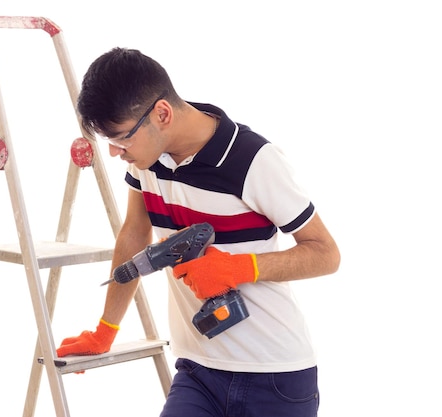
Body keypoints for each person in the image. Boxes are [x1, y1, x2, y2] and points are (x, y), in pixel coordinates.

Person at [57, 47, 340, 417]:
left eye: (122, 138)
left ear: (161, 113)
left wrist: (240, 269)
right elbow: (134, 232)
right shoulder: (146, 161)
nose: (115, 152)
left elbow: (325, 253)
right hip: (197, 372)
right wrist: (106, 328)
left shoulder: (252, 159)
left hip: (276, 376)